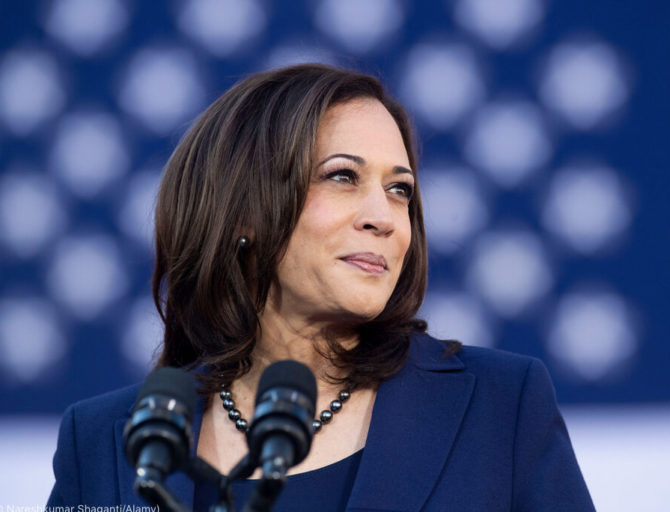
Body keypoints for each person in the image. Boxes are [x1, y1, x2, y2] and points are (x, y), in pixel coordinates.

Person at [47, 63, 595, 511]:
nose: (385, 217)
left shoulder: (502, 407)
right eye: (342, 176)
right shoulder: (100, 442)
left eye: (400, 190)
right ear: (243, 212)